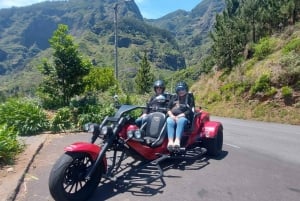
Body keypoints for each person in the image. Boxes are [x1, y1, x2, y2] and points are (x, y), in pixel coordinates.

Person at [166, 81, 195, 151]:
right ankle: (170, 142)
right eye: (179, 90)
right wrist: (172, 115)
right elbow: (168, 108)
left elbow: (189, 110)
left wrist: (179, 116)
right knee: (169, 120)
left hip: (184, 117)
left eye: (183, 89)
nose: (181, 91)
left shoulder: (189, 98)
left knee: (181, 121)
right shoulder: (174, 97)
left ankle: (177, 141)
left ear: (186, 89)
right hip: (173, 116)